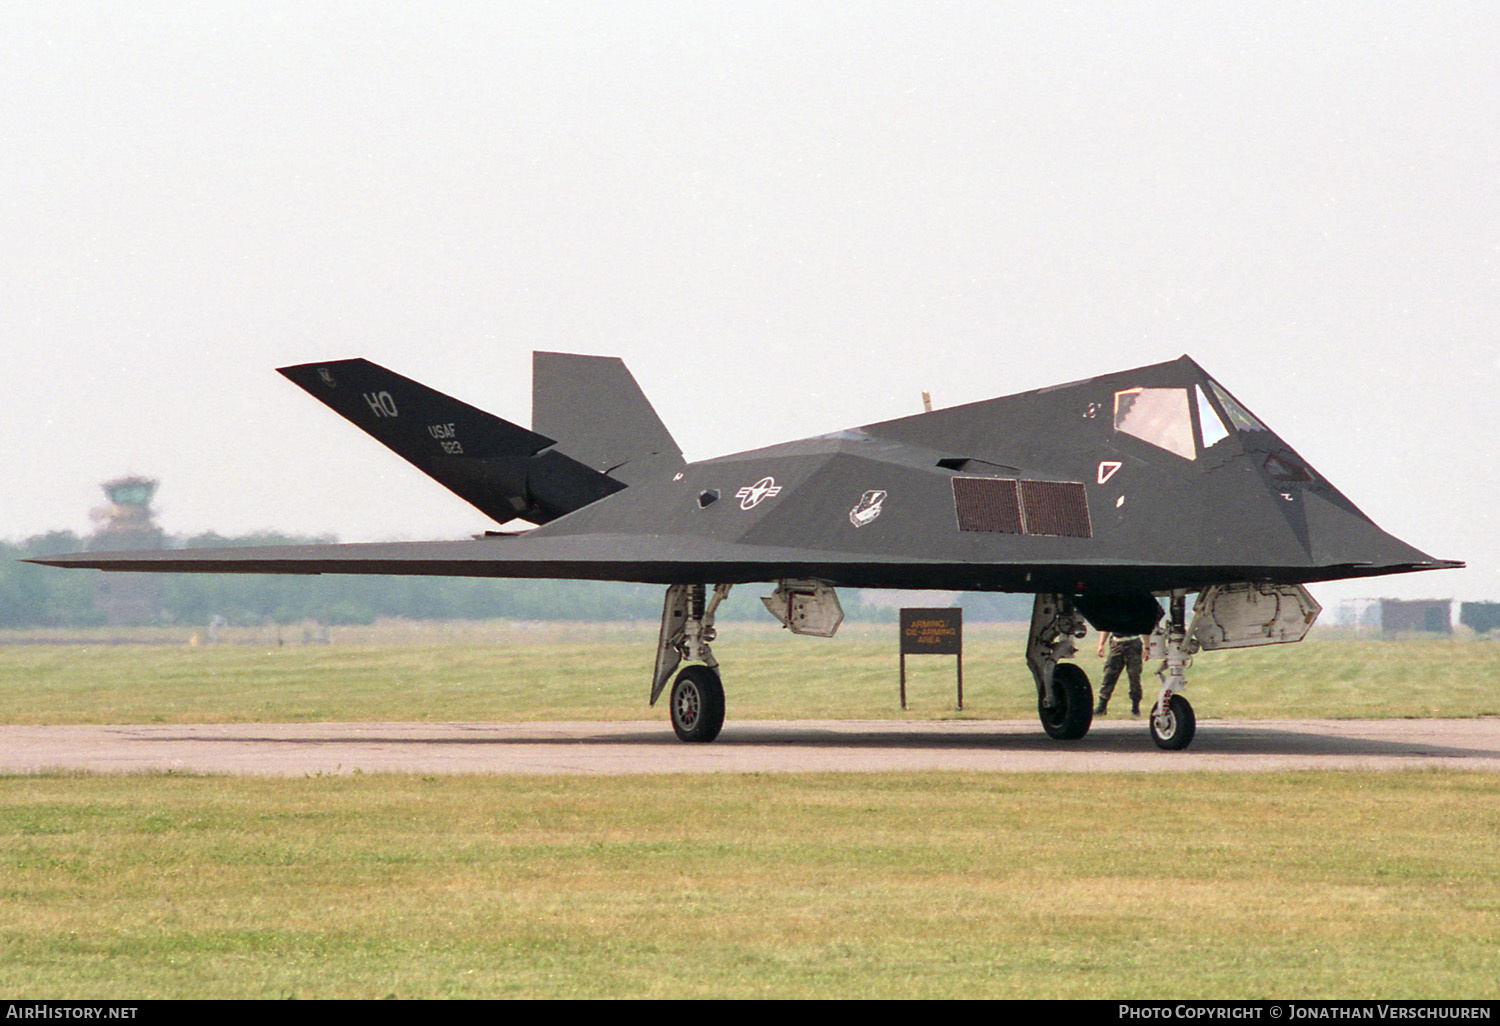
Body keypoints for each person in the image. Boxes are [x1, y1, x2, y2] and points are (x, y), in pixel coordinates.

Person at [1094, 631, 1144, 716]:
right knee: (1109, 675)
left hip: (1133, 642)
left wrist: (1147, 647)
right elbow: (1106, 627)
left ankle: (1135, 707)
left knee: (1134, 677)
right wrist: (1101, 644)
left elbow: (1145, 628)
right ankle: (1102, 706)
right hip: (1117, 642)